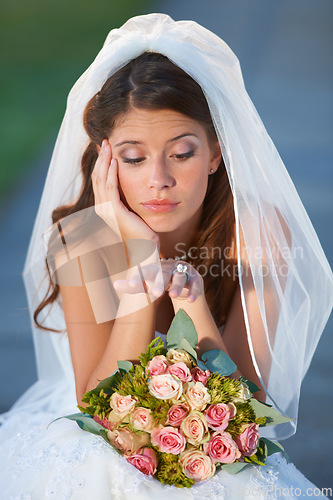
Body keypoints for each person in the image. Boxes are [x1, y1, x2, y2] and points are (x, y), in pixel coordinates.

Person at [0, 13, 332, 499]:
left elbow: (247, 405)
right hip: (104, 428)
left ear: (216, 153)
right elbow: (97, 407)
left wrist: (193, 306)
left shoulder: (257, 232)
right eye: (134, 158)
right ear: (106, 156)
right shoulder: (83, 239)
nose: (159, 178)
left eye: (182, 153)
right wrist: (139, 274)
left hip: (216, 438)